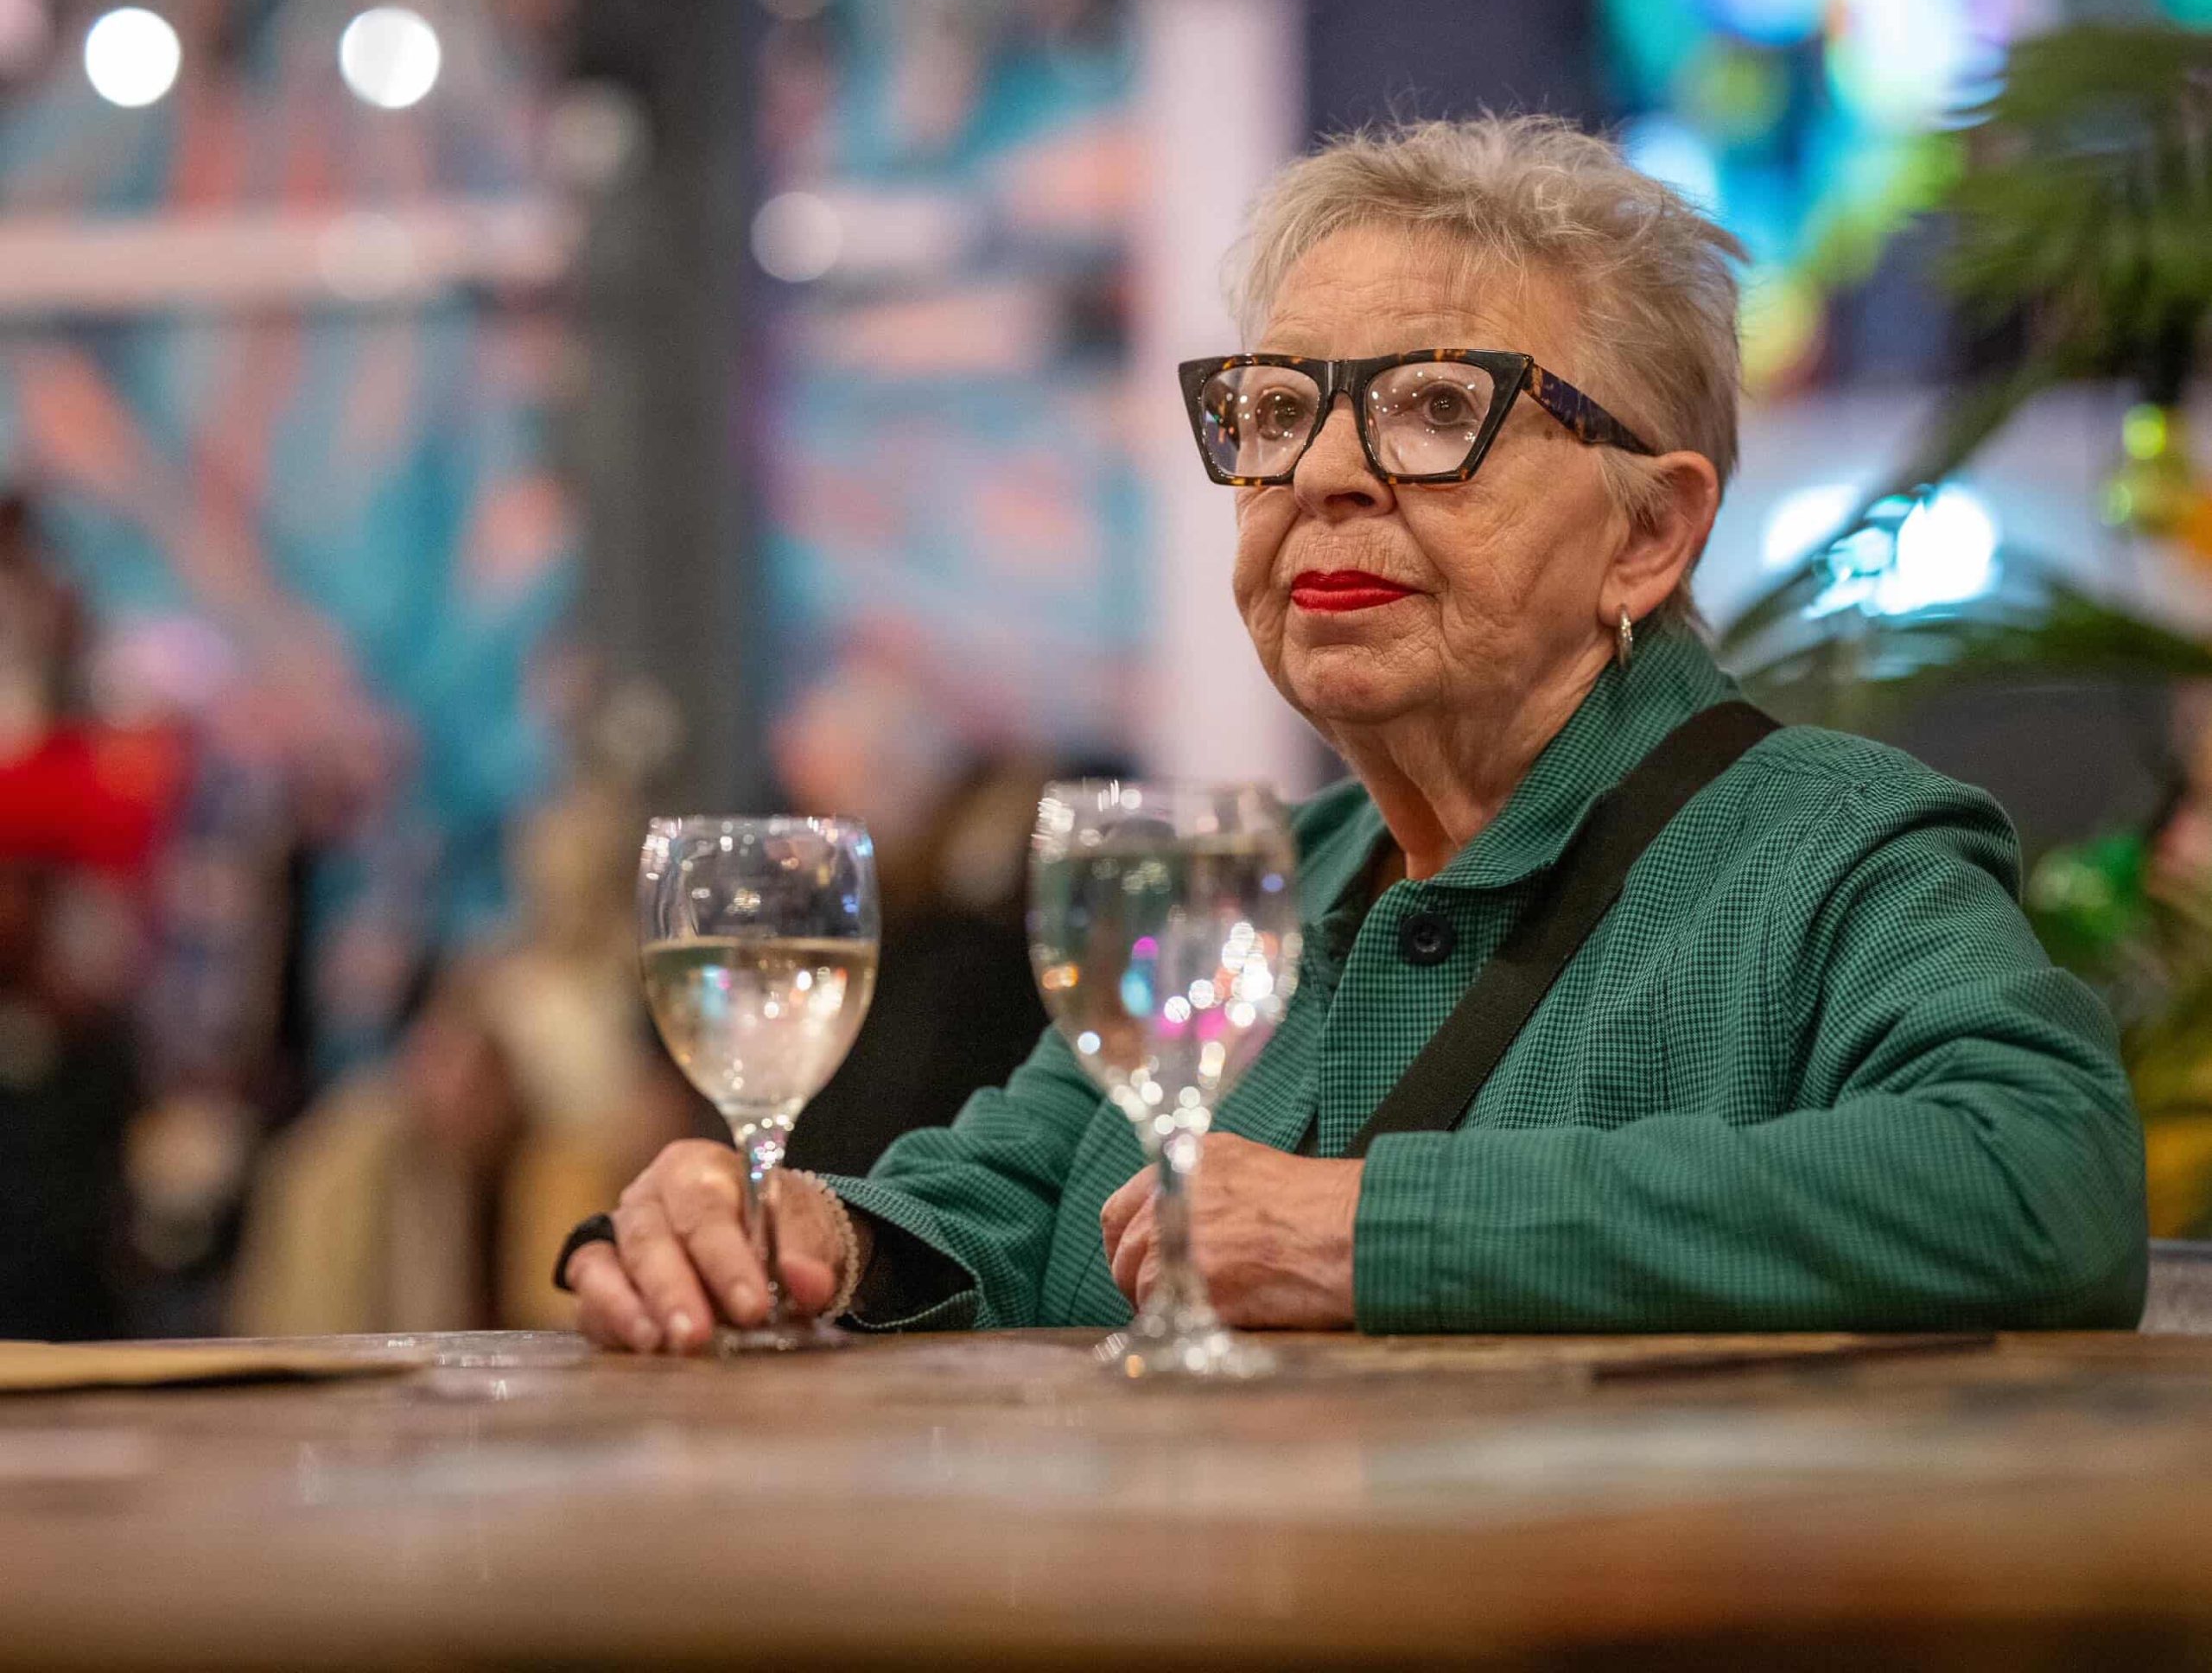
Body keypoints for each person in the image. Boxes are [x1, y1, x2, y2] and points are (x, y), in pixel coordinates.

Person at [563, 116, 2147, 1349]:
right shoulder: (1240, 876)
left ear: (1649, 535)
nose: (1321, 474)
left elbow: (2038, 1181)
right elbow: (1004, 1202)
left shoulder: (1827, 848)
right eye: (1273, 412)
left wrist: (1373, 1232)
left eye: (1437, 408)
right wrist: (806, 1239)